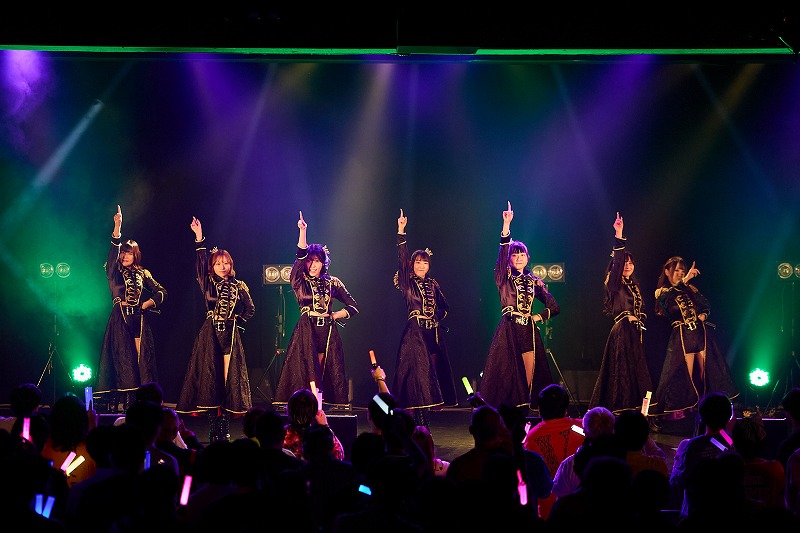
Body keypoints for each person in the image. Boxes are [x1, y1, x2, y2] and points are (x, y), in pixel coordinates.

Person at [176, 216, 255, 442]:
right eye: (218, 263)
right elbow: (200, 263)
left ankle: (225, 426)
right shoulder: (207, 282)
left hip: (230, 335)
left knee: (228, 380)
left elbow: (250, 309)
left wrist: (237, 320)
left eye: (226, 263)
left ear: (231, 265)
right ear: (213, 266)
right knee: (211, 379)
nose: (222, 267)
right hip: (210, 334)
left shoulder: (239, 286)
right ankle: (213, 426)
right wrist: (199, 237)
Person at [479, 201, 560, 410]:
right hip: (509, 328)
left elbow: (554, 307)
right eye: (514, 255)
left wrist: (538, 317)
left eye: (522, 254)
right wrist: (506, 226)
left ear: (528, 257)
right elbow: (501, 257)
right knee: (508, 376)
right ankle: (506, 418)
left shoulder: (534, 281)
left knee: (528, 379)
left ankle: (522, 418)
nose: (519, 258)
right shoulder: (503, 277)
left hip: (528, 331)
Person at [275, 211, 359, 409]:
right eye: (310, 260)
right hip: (307, 329)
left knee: (325, 371)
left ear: (324, 262)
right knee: (308, 370)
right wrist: (302, 232)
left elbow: (354, 306)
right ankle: (307, 410)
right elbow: (299, 255)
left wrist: (336, 314)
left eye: (317, 261)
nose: (313, 265)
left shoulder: (333, 282)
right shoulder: (299, 281)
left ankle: (322, 411)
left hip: (328, 331)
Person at [97, 205, 167, 413]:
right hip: (120, 318)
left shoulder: (143, 273)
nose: (125, 256)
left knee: (139, 361)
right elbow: (113, 253)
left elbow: (161, 291)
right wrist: (117, 227)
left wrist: (147, 303)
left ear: (135, 255)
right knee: (123, 360)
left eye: (129, 253)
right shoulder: (113, 271)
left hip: (138, 319)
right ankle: (124, 407)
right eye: (123, 253)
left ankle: (138, 405)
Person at [652, 256, 739, 421]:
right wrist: (685, 280)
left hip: (699, 334)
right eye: (676, 270)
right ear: (667, 271)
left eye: (682, 271)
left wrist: (703, 315)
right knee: (684, 374)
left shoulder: (690, 289)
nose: (680, 273)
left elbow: (705, 304)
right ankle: (684, 412)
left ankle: (710, 410)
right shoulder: (662, 291)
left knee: (707, 372)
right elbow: (667, 298)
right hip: (682, 336)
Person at [392, 209, 457, 428]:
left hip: (432, 334)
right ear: (412, 265)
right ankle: (420, 422)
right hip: (415, 333)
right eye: (418, 262)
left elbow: (445, 307)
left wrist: (437, 316)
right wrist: (401, 231)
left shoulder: (433, 284)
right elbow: (402, 259)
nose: (421, 266)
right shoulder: (407, 282)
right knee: (418, 376)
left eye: (425, 263)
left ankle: (424, 421)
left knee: (430, 375)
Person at [589, 212, 654, 416]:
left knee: (638, 372)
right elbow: (617, 265)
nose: (627, 265)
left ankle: (641, 414)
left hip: (634, 332)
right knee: (622, 372)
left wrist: (639, 319)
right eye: (624, 262)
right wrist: (619, 235)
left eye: (630, 263)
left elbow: (641, 309)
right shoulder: (614, 283)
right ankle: (620, 412)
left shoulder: (634, 285)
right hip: (622, 331)